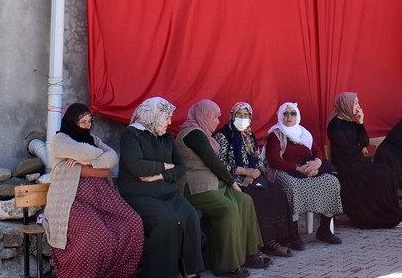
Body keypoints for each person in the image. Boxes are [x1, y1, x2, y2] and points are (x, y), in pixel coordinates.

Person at [45, 103, 143, 278]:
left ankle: (114, 274)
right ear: (72, 122)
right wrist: (98, 161)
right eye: (82, 122)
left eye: (90, 121)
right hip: (71, 200)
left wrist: (87, 163)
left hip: (101, 198)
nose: (87, 126)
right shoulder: (60, 139)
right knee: (96, 233)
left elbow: (113, 158)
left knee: (133, 223)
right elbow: (85, 152)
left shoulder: (94, 139)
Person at [176, 100, 270, 278]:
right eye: (214, 117)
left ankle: (249, 253)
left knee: (245, 201)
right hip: (197, 187)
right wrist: (233, 183)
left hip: (214, 183)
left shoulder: (203, 133)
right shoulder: (192, 134)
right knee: (228, 209)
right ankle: (227, 265)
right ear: (204, 116)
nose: (217, 121)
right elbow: (214, 162)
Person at [117, 97, 203, 278]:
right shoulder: (132, 135)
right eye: (167, 117)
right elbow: (137, 167)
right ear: (154, 116)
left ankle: (190, 270)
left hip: (166, 191)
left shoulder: (166, 137)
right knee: (166, 222)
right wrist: (165, 166)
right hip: (139, 193)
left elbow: (180, 167)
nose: (170, 122)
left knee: (190, 215)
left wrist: (159, 175)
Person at [213, 102, 300, 256]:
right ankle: (265, 242)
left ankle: (278, 238)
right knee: (256, 197)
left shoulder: (250, 136)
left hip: (254, 177)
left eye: (246, 115)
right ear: (232, 115)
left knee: (277, 191)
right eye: (239, 114)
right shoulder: (223, 135)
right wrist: (245, 171)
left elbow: (260, 163)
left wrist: (255, 172)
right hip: (233, 180)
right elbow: (219, 163)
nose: (242, 118)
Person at [326, 92, 402, 229]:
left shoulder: (352, 123)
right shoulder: (335, 126)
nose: (358, 106)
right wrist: (360, 147)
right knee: (378, 176)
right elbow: (347, 149)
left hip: (358, 161)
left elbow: (364, 141)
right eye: (355, 103)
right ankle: (378, 216)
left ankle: (391, 212)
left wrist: (361, 122)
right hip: (347, 166)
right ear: (345, 104)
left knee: (386, 172)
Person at [264, 101, 343, 245]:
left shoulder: (303, 133)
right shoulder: (276, 134)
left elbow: (317, 151)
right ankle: (293, 235)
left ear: (297, 115)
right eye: (285, 114)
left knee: (331, 181)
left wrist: (317, 163)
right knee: (293, 186)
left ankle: (325, 230)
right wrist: (297, 169)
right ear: (280, 116)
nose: (289, 117)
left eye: (292, 113)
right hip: (285, 169)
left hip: (307, 168)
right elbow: (273, 159)